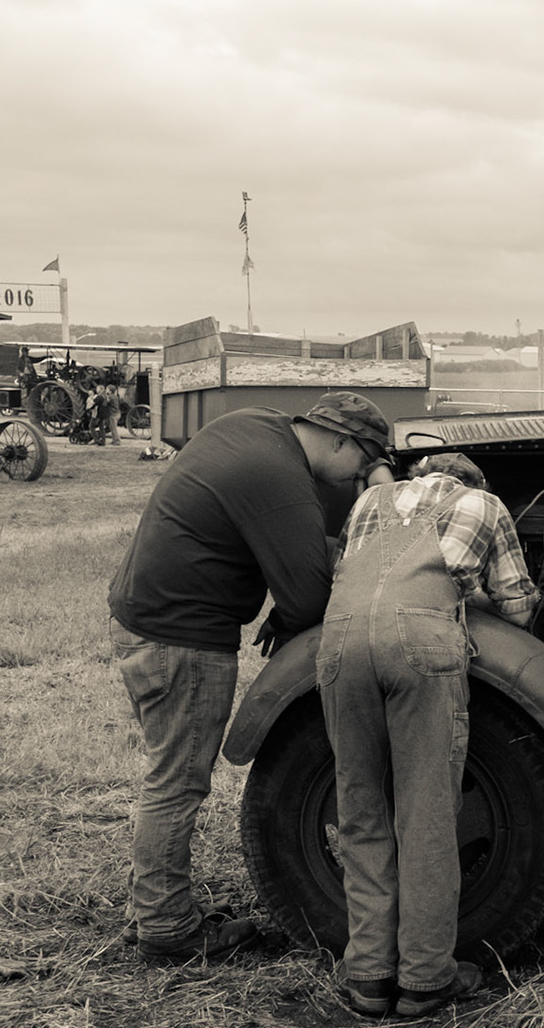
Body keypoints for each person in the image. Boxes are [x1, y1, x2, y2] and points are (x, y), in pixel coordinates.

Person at [108, 391, 395, 963]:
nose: (356, 478)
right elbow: (308, 597)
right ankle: (167, 929)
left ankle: (154, 907)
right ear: (340, 440)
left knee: (169, 777)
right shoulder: (280, 478)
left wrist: (288, 601)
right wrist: (294, 607)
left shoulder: (257, 426)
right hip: (182, 641)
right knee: (177, 783)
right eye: (362, 464)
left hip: (148, 621)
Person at [322, 452, 541, 1018]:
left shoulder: (370, 500)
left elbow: (346, 571)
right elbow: (518, 609)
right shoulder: (485, 504)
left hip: (340, 643)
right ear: (474, 481)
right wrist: (469, 596)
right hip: (419, 645)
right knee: (426, 815)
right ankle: (424, 978)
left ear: (416, 477)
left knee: (361, 810)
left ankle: (368, 976)